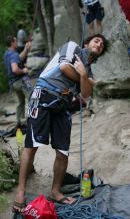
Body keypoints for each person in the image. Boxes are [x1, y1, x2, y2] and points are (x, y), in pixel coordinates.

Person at [13, 34, 108, 211]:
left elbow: (86, 95)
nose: (99, 44)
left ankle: (55, 192)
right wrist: (83, 77)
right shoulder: (73, 47)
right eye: (97, 41)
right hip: (43, 94)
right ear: (87, 43)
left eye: (102, 45)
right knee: (31, 144)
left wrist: (84, 75)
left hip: (63, 105)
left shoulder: (87, 70)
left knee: (63, 150)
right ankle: (20, 191)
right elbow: (64, 67)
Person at [4, 36, 33, 124]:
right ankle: (31, 119)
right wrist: (23, 70)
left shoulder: (7, 54)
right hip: (20, 81)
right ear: (12, 43)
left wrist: (26, 49)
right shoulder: (14, 54)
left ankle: (19, 122)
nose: (17, 43)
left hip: (13, 83)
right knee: (32, 98)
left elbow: (19, 58)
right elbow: (15, 69)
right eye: (15, 41)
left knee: (21, 102)